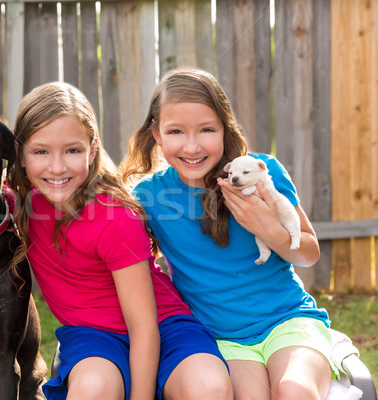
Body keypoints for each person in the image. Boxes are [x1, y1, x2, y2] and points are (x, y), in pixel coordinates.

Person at [0, 82, 232, 400]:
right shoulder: (19, 202)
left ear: (93, 150)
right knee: (91, 391)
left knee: (209, 388)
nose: (57, 167)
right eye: (41, 151)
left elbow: (144, 328)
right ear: (21, 156)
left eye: (72, 150)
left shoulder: (115, 218)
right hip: (94, 337)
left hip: (165, 328)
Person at [121, 67, 338, 400]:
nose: (192, 146)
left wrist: (270, 229)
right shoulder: (150, 197)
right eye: (176, 131)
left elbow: (308, 254)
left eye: (207, 130)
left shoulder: (261, 173)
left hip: (289, 321)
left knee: (294, 390)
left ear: (225, 129)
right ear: (157, 133)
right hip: (224, 339)